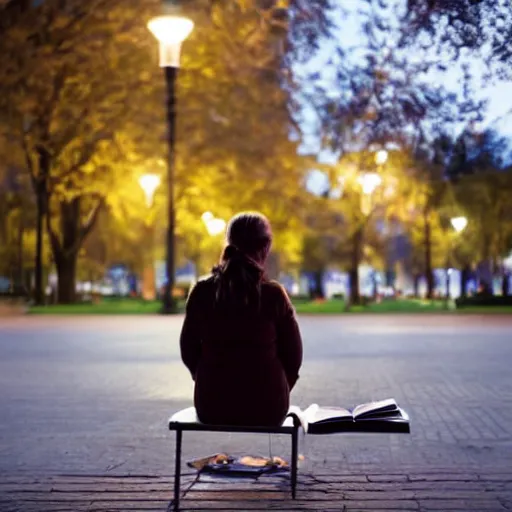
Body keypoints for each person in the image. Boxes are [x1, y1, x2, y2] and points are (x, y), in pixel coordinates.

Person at [179, 212, 303, 427]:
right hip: (268, 408)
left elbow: (188, 349)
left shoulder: (203, 292)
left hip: (212, 406)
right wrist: (275, 388)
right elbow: (293, 356)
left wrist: (208, 377)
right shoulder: (273, 295)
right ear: (265, 247)